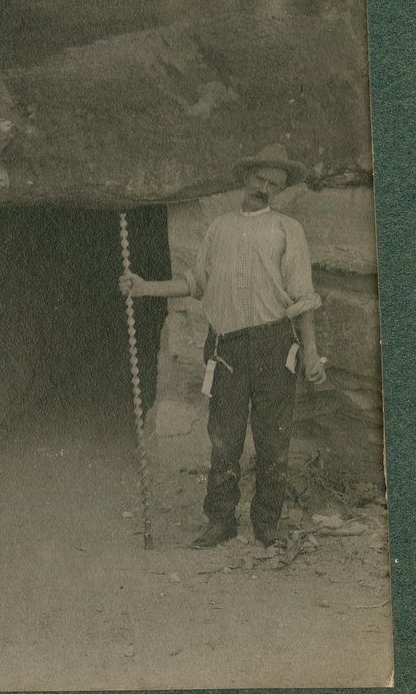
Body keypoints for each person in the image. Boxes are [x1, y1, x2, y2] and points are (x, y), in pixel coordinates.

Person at [118, 144, 327, 548]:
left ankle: (267, 522)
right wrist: (145, 288)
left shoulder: (288, 230)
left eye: (274, 184)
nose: (264, 188)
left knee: (273, 439)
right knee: (224, 439)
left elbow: (303, 300)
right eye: (260, 179)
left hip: (274, 345)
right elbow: (195, 284)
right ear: (245, 178)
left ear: (281, 190)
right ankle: (220, 520)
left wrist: (313, 353)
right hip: (226, 347)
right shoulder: (219, 227)